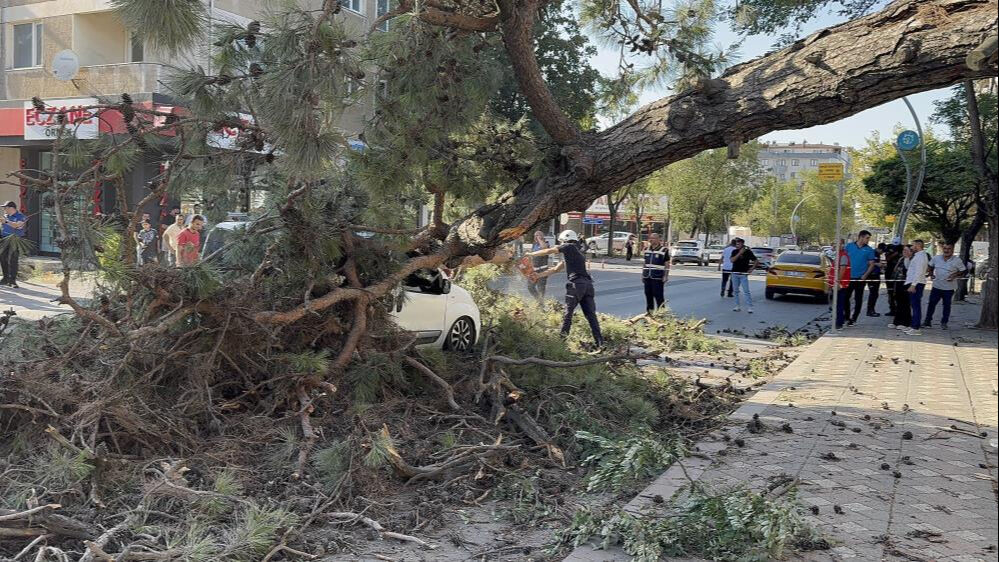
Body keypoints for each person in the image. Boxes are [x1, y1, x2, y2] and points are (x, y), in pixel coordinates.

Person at [524, 229, 603, 348]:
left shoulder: (569, 246)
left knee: (568, 313)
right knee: (591, 316)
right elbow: (555, 269)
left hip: (576, 285)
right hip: (588, 285)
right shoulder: (576, 251)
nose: (560, 244)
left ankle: (561, 342)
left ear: (566, 239)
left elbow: (549, 250)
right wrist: (538, 275)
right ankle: (600, 343)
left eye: (561, 242)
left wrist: (531, 254)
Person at [924, 242, 967, 329]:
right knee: (931, 304)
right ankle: (927, 321)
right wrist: (931, 273)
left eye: (949, 249)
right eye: (945, 249)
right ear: (942, 249)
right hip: (937, 286)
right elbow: (930, 266)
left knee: (946, 305)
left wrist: (954, 275)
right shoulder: (936, 258)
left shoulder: (957, 260)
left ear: (952, 250)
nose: (946, 250)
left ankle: (944, 323)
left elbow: (963, 271)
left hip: (949, 288)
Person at [843, 230, 877, 325]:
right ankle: (847, 317)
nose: (868, 240)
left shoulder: (869, 250)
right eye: (867, 238)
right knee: (846, 297)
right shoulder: (849, 246)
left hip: (860, 278)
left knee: (858, 298)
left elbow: (871, 264)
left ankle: (854, 318)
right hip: (848, 277)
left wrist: (865, 275)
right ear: (861, 237)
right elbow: (843, 259)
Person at [904, 239, 929, 335]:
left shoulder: (921, 257)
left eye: (913, 245)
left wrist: (913, 285)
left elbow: (919, 272)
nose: (911, 247)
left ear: (918, 246)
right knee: (913, 306)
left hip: (916, 284)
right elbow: (910, 268)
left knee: (916, 306)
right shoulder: (918, 256)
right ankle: (913, 325)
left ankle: (916, 328)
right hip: (914, 282)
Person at [0, 201, 27, 288]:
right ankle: (5, 278)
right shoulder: (6, 216)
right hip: (4, 239)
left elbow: (18, 226)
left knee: (13, 259)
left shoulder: (21, 216)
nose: (4, 209)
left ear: (11, 208)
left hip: (15, 239)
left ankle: (12, 281)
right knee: (3, 258)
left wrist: (6, 222)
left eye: (5, 207)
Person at [641, 233, 670, 314]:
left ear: (658, 239)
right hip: (647, 276)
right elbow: (645, 263)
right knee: (648, 294)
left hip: (657, 277)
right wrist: (643, 274)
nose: (651, 239)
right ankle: (650, 312)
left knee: (658, 295)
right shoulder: (646, 249)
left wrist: (666, 276)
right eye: (650, 238)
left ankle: (661, 313)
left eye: (653, 238)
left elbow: (667, 263)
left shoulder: (664, 250)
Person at [728, 238, 757, 313]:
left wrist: (751, 269)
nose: (737, 245)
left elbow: (756, 261)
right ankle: (737, 306)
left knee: (746, 291)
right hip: (735, 273)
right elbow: (732, 260)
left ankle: (750, 307)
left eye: (738, 244)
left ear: (742, 244)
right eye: (736, 244)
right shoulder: (734, 251)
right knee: (735, 291)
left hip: (743, 274)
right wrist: (739, 253)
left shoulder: (748, 252)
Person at [828, 239, 851, 329]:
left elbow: (842, 270)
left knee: (839, 304)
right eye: (834, 244)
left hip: (840, 285)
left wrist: (837, 282)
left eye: (837, 244)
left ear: (842, 245)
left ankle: (839, 323)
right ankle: (838, 322)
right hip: (838, 283)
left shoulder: (843, 256)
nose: (835, 246)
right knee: (837, 304)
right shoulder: (838, 255)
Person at [888, 245, 911, 330]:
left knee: (905, 304)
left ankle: (906, 322)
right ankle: (896, 321)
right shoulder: (901, 259)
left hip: (906, 284)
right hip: (897, 283)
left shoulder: (911, 260)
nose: (904, 252)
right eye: (904, 250)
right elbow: (895, 270)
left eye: (907, 250)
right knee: (898, 303)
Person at [527, 231, 551, 302]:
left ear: (542, 236)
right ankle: (538, 300)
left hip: (542, 270)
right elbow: (532, 256)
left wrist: (540, 239)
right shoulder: (534, 244)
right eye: (535, 235)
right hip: (534, 270)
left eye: (538, 235)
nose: (536, 237)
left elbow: (544, 248)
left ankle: (541, 305)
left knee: (541, 288)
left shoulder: (546, 243)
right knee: (530, 287)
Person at [866, 242, 886, 317]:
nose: (882, 253)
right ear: (879, 249)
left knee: (875, 294)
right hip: (871, 276)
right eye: (882, 251)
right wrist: (877, 264)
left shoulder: (878, 254)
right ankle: (870, 310)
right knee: (873, 293)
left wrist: (881, 267)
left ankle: (872, 309)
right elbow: (867, 262)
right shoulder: (872, 253)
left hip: (876, 275)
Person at [883, 241, 902, 316]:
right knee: (890, 293)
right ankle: (892, 309)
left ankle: (899, 309)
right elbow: (887, 258)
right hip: (889, 274)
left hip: (899, 275)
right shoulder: (889, 248)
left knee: (899, 293)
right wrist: (895, 253)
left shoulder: (902, 249)